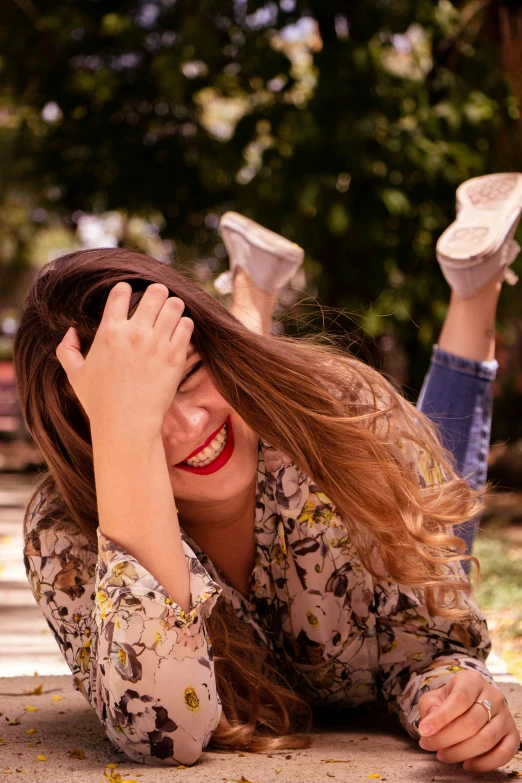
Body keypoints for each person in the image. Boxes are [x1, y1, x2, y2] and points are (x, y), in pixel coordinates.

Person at [14, 173, 522, 772]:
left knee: (444, 464)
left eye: (187, 373)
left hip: (321, 427)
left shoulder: (348, 414)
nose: (185, 425)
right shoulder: (62, 534)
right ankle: (255, 286)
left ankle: (474, 284)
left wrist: (453, 701)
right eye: (139, 413)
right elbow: (162, 734)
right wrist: (127, 438)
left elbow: (431, 653)